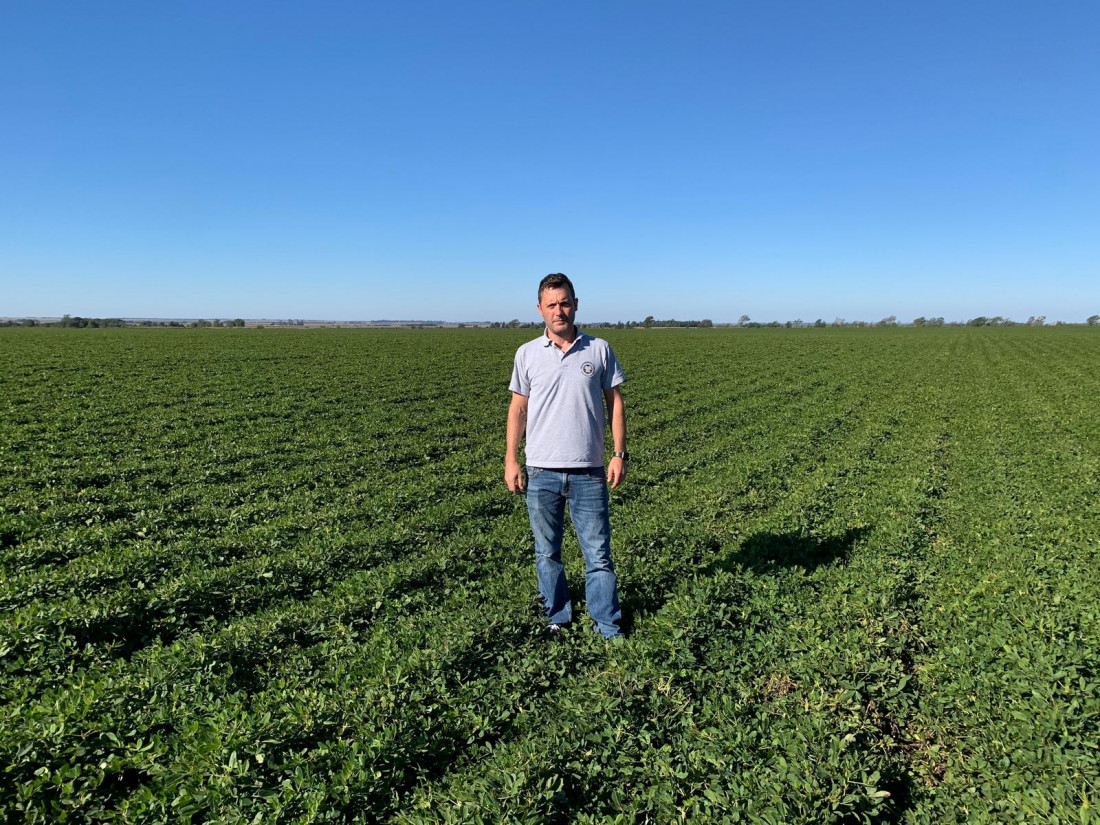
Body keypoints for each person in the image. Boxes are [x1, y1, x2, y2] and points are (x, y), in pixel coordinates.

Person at [504, 273, 628, 639]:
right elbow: (518, 410)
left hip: (589, 471)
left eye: (565, 302)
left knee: (598, 555)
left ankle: (608, 625)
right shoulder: (527, 354)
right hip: (541, 470)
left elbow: (615, 404)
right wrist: (511, 459)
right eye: (552, 304)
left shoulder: (599, 349)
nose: (559, 310)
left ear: (576, 304)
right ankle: (557, 617)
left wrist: (619, 454)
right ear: (540, 309)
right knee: (547, 552)